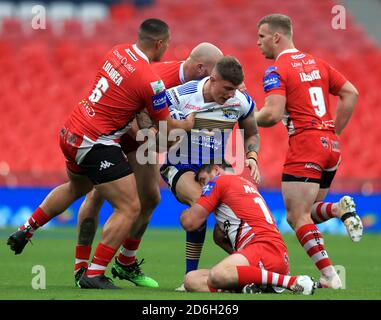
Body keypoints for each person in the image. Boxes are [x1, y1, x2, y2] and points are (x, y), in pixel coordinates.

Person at [7, 18, 194, 289]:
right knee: (130, 207)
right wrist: (189, 122)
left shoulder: (116, 51)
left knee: (76, 187)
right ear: (160, 43)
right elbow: (168, 127)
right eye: (167, 45)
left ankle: (27, 229)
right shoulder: (150, 80)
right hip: (95, 143)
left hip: (72, 130)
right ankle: (93, 274)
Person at [73, 43, 224, 288]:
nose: (215, 80)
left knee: (150, 198)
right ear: (200, 68)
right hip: (116, 134)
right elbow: (136, 107)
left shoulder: (198, 88)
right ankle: (83, 268)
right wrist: (152, 133)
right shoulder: (161, 78)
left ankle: (124, 261)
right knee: (97, 197)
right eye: (214, 75)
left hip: (141, 143)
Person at [254, 14, 363, 289]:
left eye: (262, 37)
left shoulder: (277, 70)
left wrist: (243, 116)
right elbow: (351, 92)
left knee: (295, 216)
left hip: (306, 145)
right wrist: (333, 131)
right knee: (309, 212)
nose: (258, 43)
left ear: (277, 37)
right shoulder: (318, 62)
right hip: (331, 148)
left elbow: (271, 114)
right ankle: (339, 209)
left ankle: (329, 276)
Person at [160, 56, 260, 291]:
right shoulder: (181, 95)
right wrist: (174, 127)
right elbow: (152, 116)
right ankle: (190, 279)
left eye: (234, 90)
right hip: (179, 164)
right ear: (212, 80)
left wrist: (252, 156)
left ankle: (254, 269)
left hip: (213, 168)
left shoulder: (240, 101)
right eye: (226, 89)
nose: (230, 95)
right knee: (200, 205)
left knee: (228, 226)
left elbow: (252, 132)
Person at [180, 162, 315, 295]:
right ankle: (250, 287)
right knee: (191, 280)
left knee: (218, 274)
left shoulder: (219, 181)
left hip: (263, 247)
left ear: (216, 170)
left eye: (203, 180)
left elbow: (190, 223)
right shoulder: (246, 184)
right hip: (273, 252)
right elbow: (219, 236)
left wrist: (185, 213)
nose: (203, 187)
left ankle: (291, 281)